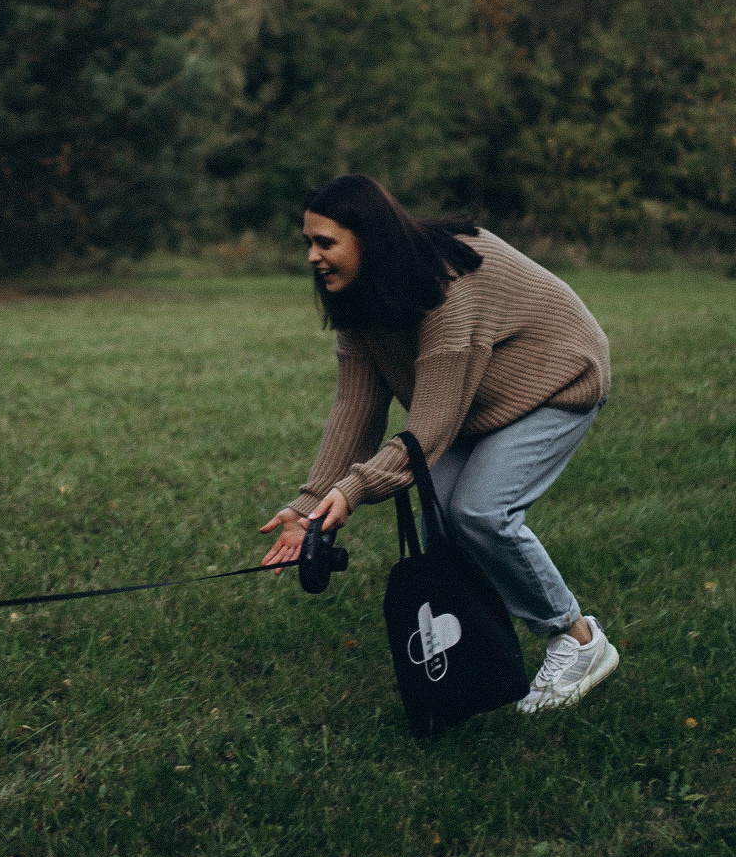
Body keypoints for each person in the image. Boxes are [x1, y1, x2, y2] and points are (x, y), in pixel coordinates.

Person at [258, 174, 619, 713]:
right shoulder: (356, 296)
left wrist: (353, 490)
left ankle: (578, 639)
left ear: (369, 238)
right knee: (441, 523)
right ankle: (478, 652)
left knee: (480, 512)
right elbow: (356, 407)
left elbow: (427, 430)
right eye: (308, 242)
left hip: (557, 380)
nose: (312, 256)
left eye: (325, 242)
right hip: (480, 399)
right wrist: (309, 506)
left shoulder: (446, 283)